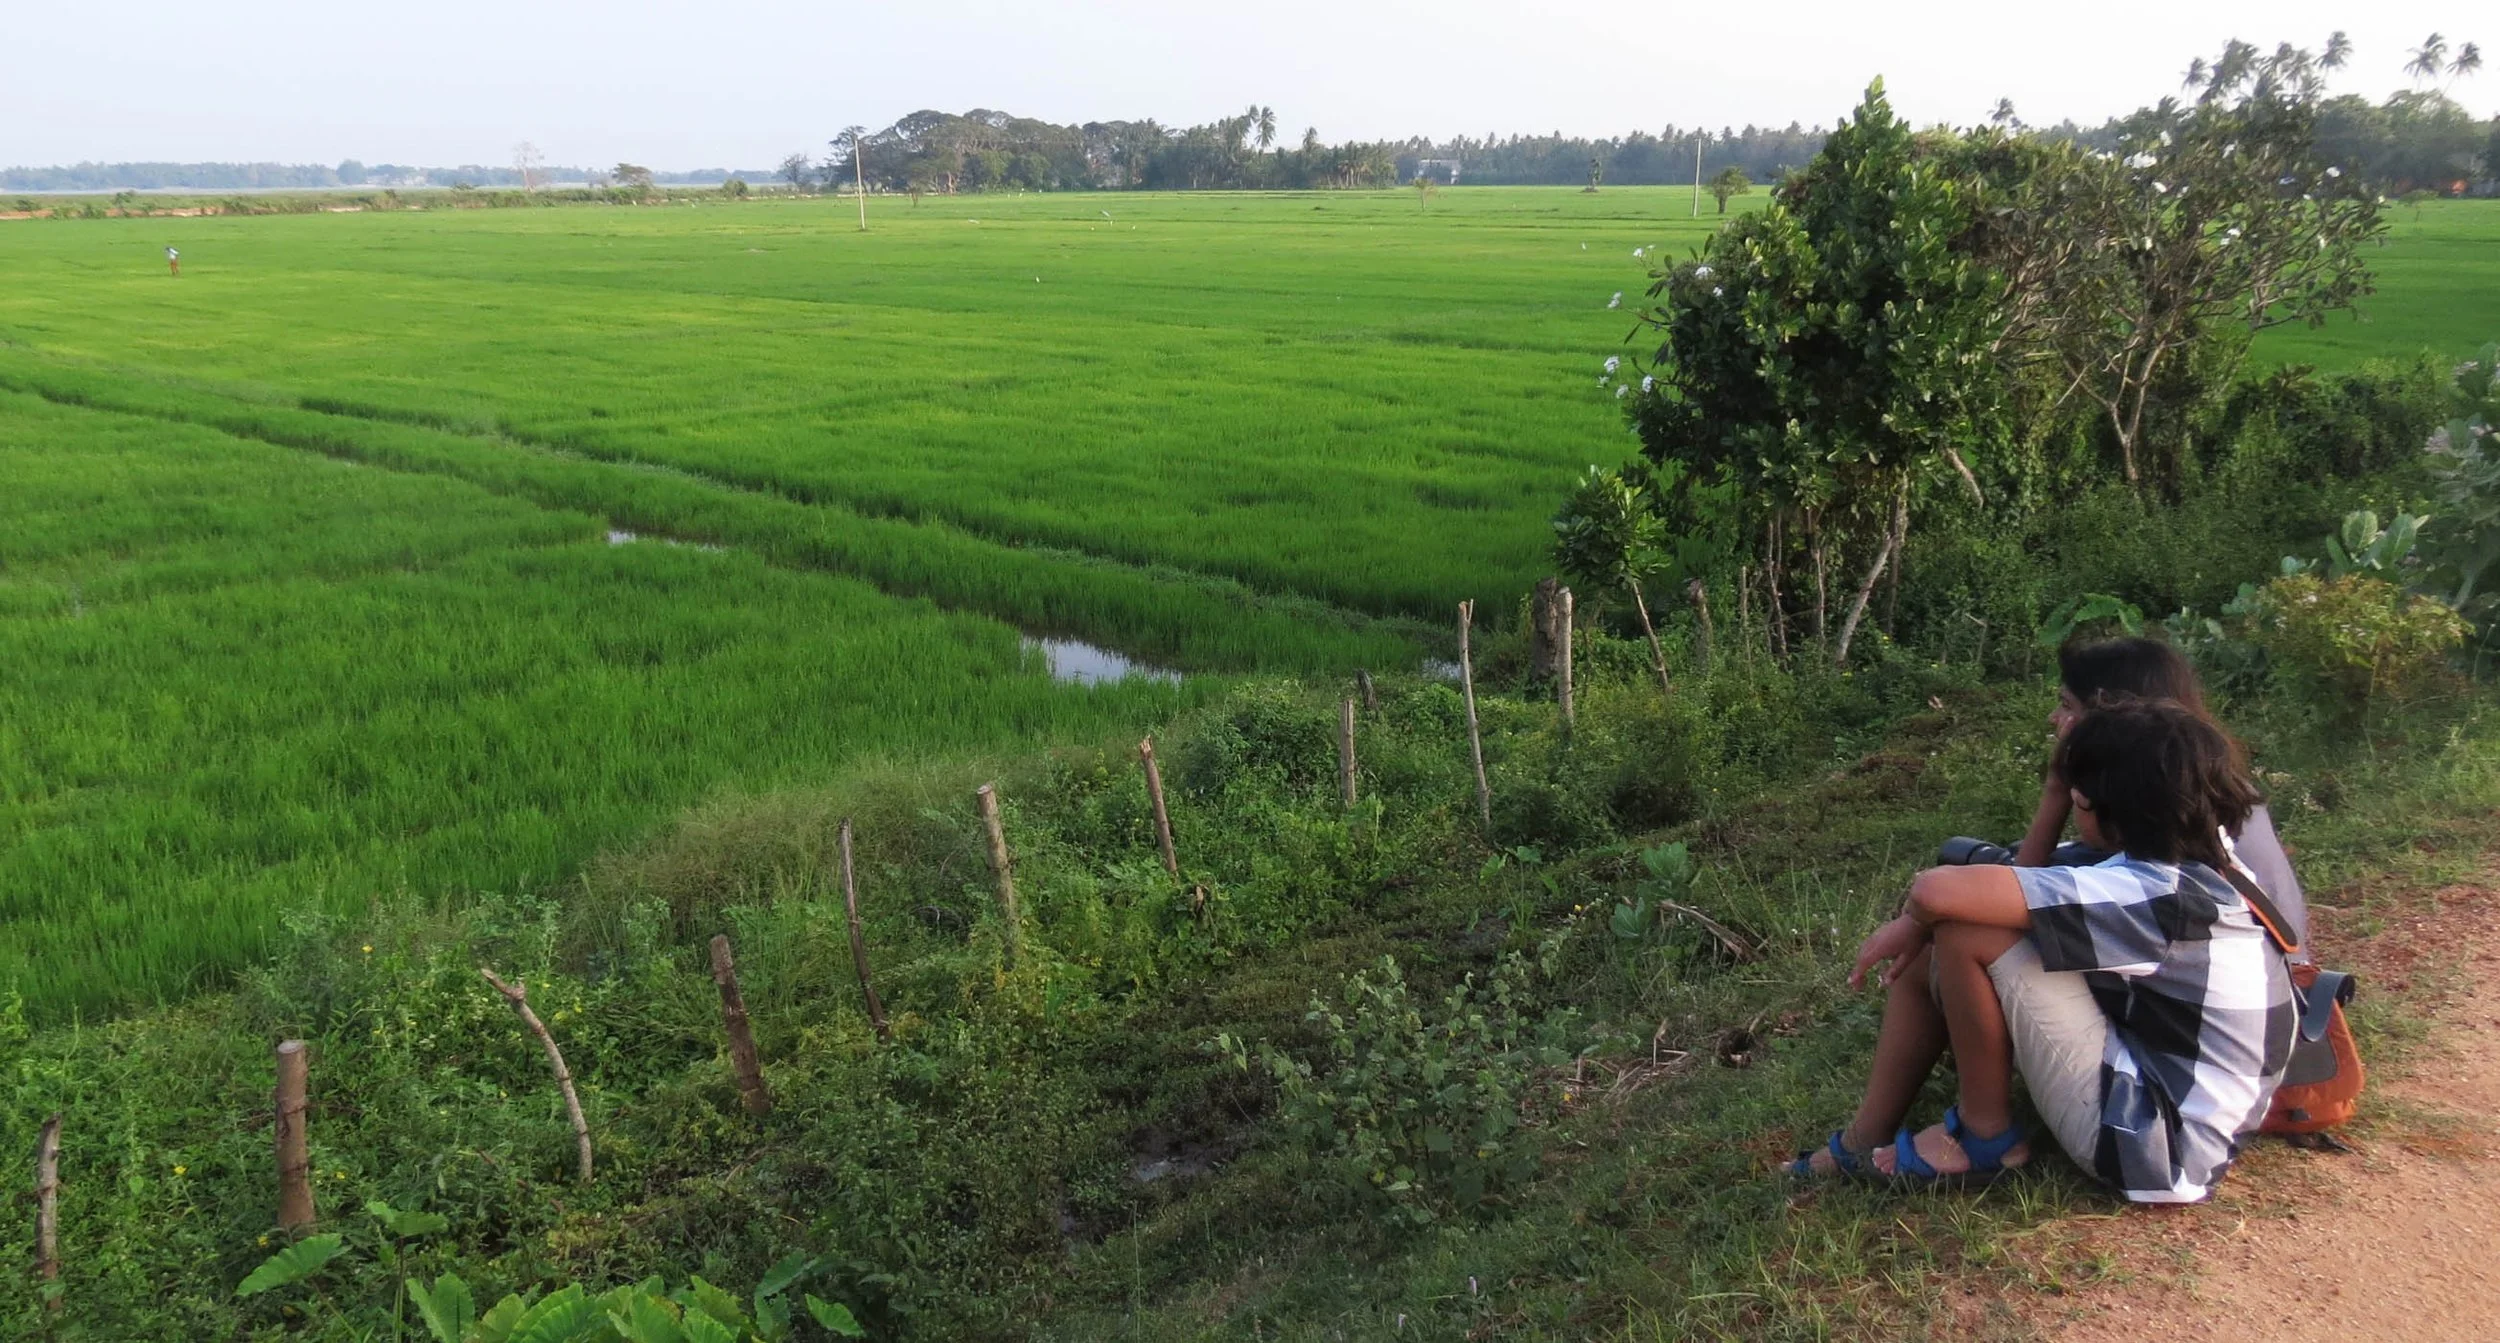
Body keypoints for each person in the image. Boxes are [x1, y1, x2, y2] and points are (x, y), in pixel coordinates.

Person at [1790, 699, 2295, 1201]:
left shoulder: (2161, 896)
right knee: (1947, 939)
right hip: (2175, 1109)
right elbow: (2020, 881)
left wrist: (1913, 920)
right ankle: (1863, 1139)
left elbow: (1935, 892)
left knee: (1968, 930)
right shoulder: (2203, 867)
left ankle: (1983, 1136)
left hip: (2160, 1151)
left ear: (2109, 810)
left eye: (2077, 801)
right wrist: (1919, 928)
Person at [2021, 637, 2309, 952]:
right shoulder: (2213, 785)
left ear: (2109, 718)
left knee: (2003, 938)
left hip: (2231, 977)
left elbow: (2026, 890)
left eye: (2066, 705)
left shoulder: (2171, 810)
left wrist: (2058, 785)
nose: (2054, 718)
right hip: (2276, 976)